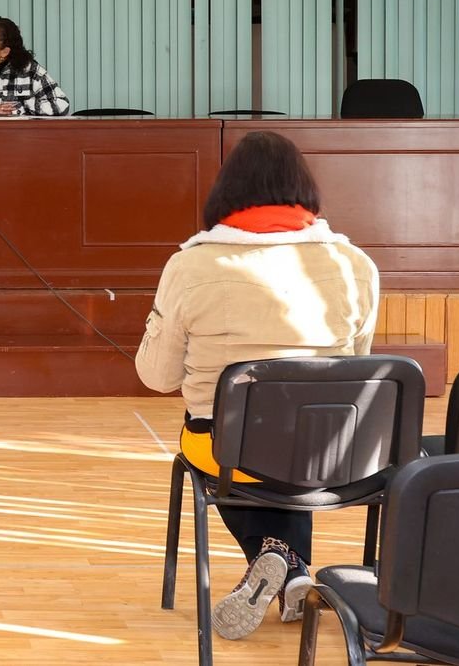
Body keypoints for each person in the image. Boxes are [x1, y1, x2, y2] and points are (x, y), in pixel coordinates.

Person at [135, 131, 380, 642]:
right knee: (294, 431)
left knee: (238, 440)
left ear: (226, 192)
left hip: (230, 452)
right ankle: (291, 570)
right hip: (331, 451)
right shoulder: (354, 265)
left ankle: (279, 558)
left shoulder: (191, 265)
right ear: (304, 190)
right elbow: (356, 368)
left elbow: (157, 377)